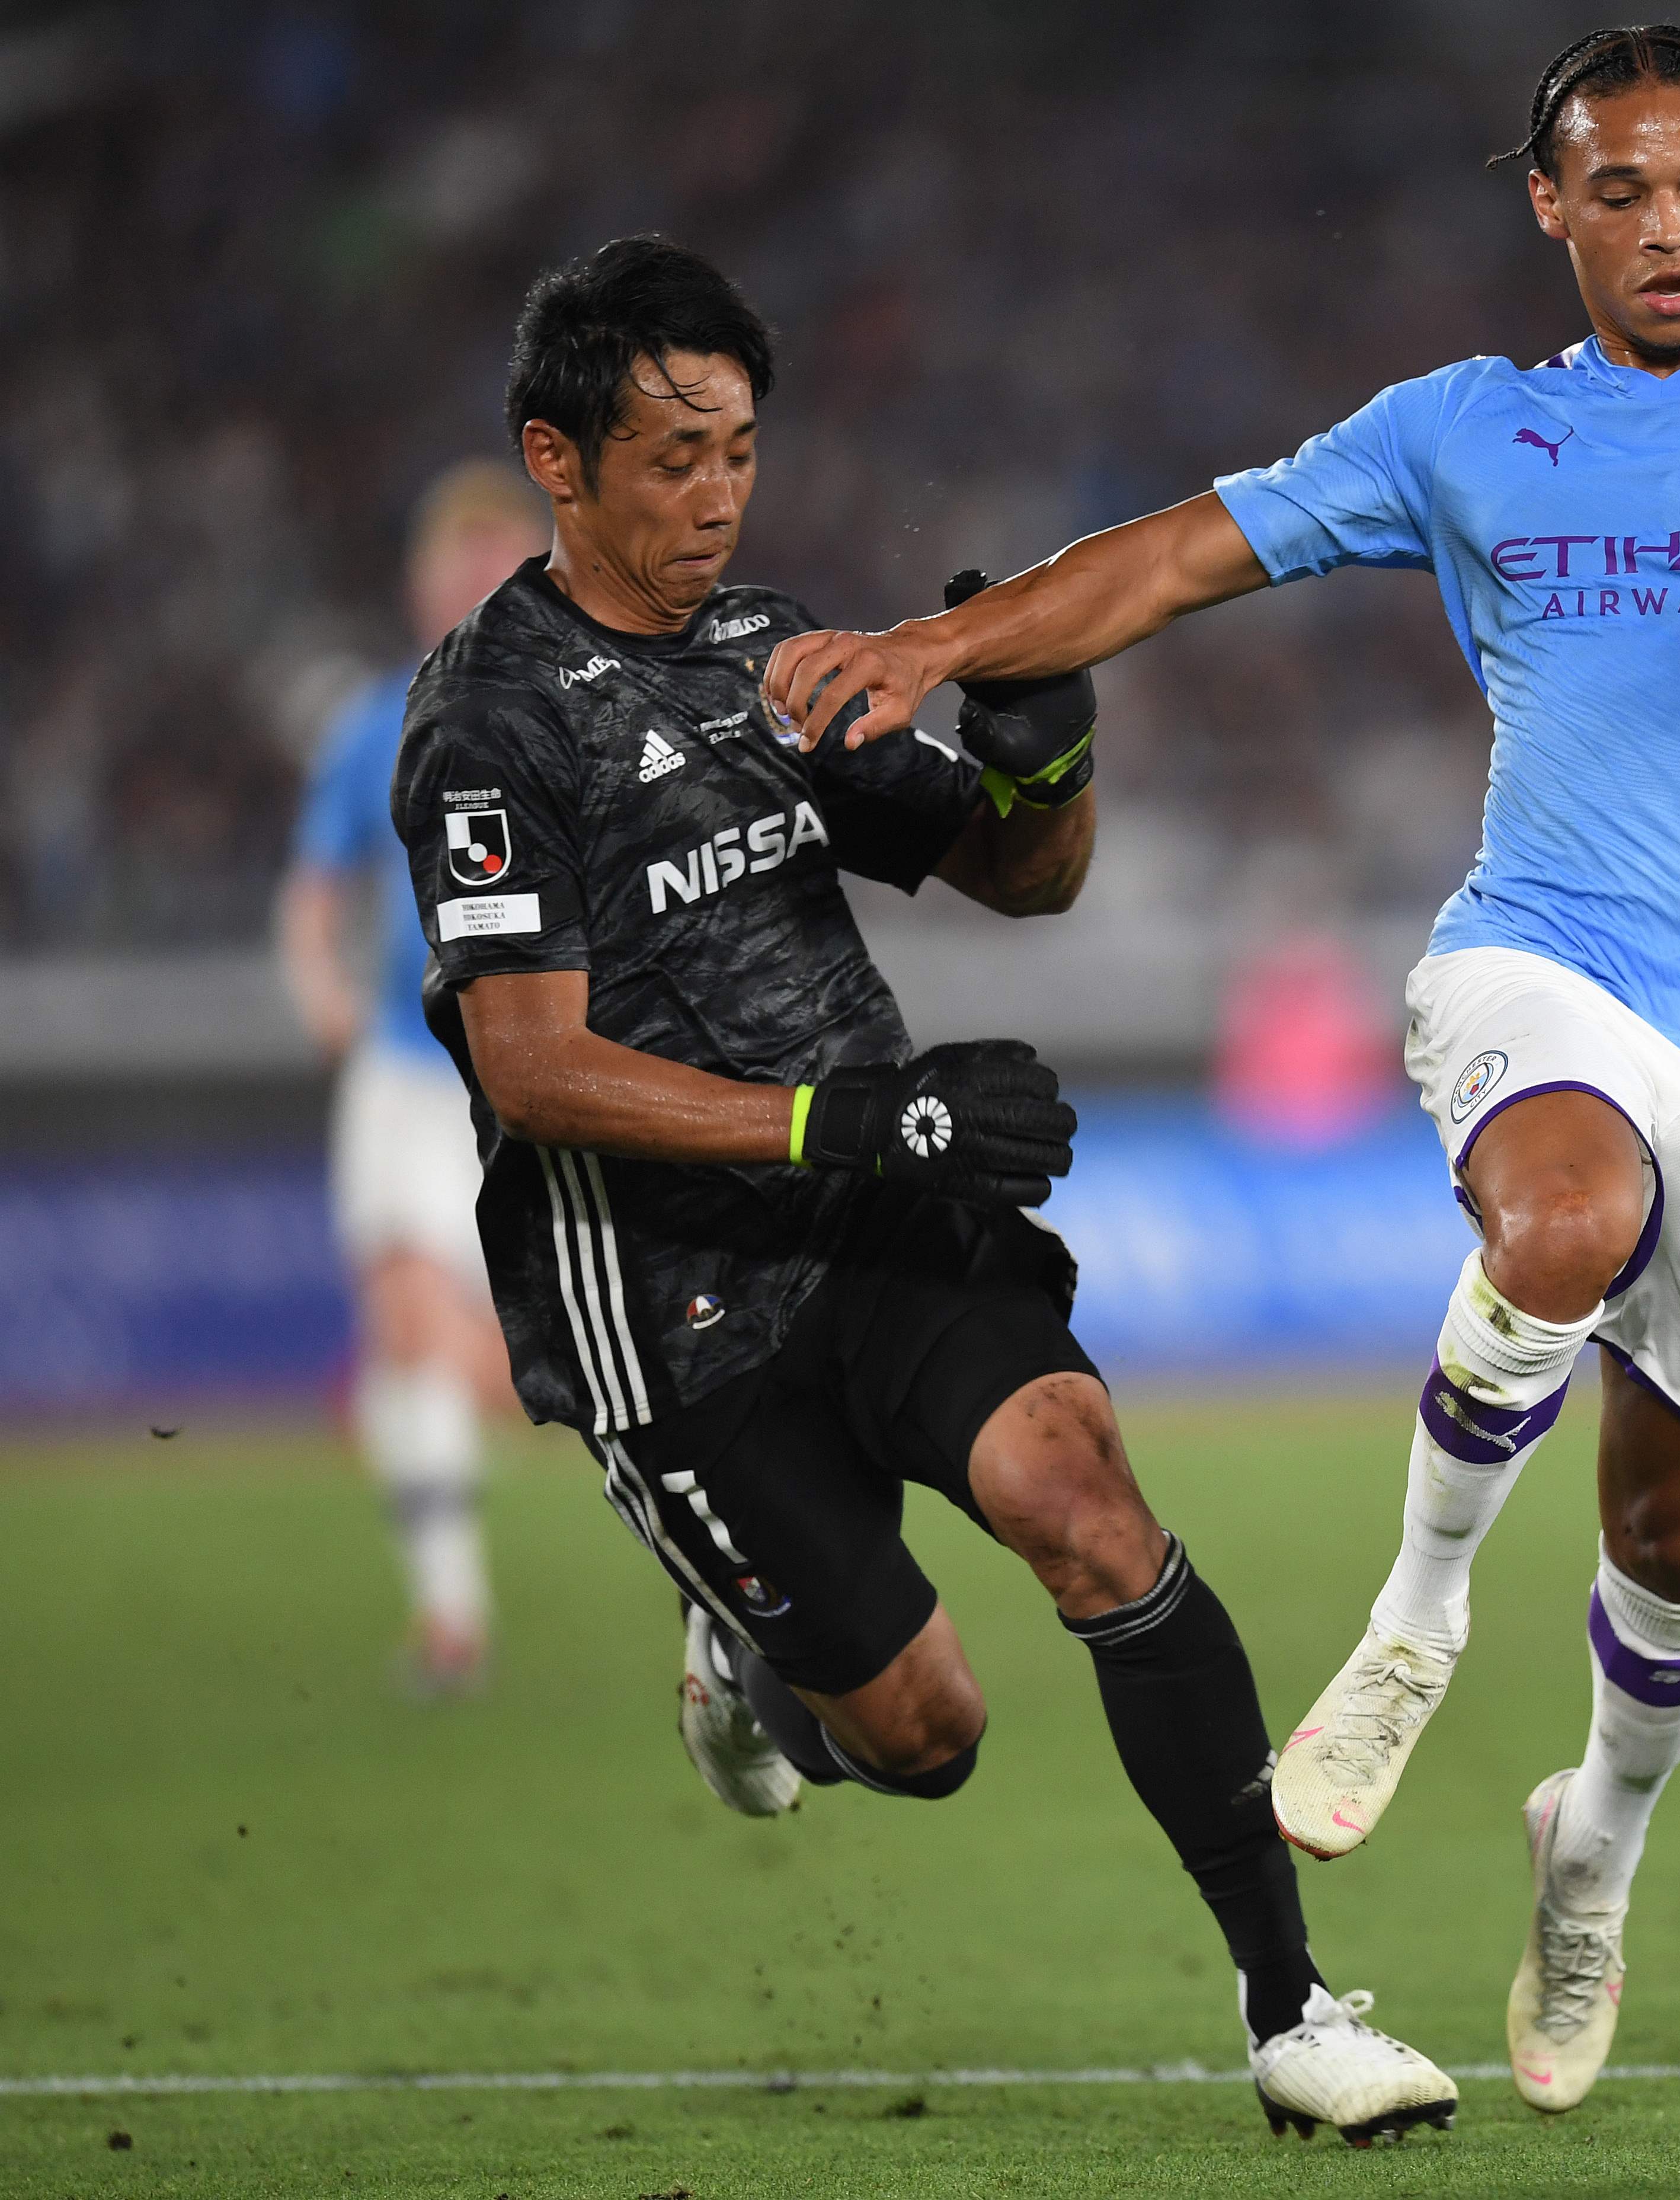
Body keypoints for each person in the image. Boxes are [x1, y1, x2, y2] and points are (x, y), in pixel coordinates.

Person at [764, 22, 1680, 2113]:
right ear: (1550, 207)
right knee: (1560, 1220)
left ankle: (1591, 1847)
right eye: (1619, 190)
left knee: (1674, 1534)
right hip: (1543, 960)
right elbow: (1188, 549)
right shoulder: (1466, 430)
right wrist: (952, 647)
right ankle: (1409, 1628)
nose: (1662, 226)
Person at [392, 236, 1454, 2144]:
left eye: (738, 450)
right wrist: (832, 1128)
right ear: (557, 462)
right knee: (927, 1740)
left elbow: (1019, 879)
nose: (717, 494)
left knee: (1085, 1499)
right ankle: (758, 1661)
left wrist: (1048, 762)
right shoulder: (490, 727)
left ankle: (1294, 2010)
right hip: (673, 1312)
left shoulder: (771, 660)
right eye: (670, 457)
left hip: (891, 1211)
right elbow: (529, 1068)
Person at [275, 460, 541, 1693]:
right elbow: (316, 888)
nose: (471, 578)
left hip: (536, 1068)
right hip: (402, 1061)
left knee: (466, 1353)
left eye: (495, 557)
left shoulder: (570, 710)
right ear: (423, 580)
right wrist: (323, 993)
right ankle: (453, 1619)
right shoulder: (374, 722)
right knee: (405, 1315)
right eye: (456, 559)